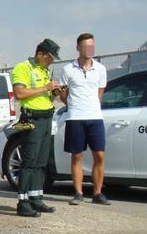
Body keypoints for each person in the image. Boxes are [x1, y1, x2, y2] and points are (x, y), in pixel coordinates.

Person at [11, 39, 62, 217]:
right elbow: (19, 93)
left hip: (47, 117)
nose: (52, 61)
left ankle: (36, 198)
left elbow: (44, 95)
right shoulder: (22, 68)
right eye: (50, 57)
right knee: (29, 161)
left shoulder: (44, 70)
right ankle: (22, 202)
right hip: (32, 118)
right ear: (40, 54)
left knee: (41, 162)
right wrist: (45, 87)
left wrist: (53, 93)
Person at [59, 33, 110, 205]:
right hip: (75, 118)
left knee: (99, 155)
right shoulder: (67, 70)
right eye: (86, 46)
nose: (89, 49)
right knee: (77, 156)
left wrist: (92, 107)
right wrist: (74, 105)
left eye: (92, 46)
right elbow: (63, 95)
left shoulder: (101, 69)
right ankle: (78, 193)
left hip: (95, 117)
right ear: (78, 48)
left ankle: (97, 193)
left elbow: (100, 94)